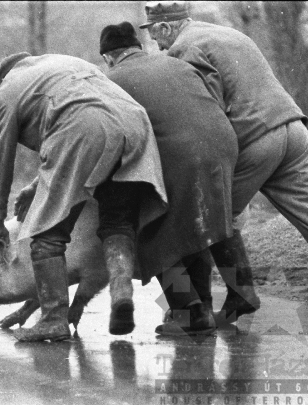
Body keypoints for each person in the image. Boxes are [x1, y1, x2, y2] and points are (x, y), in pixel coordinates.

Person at [139, 0, 308, 324]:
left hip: (255, 141)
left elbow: (205, 112)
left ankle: (192, 313)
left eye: (156, 36)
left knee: (202, 217)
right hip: (293, 130)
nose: (157, 45)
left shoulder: (183, 50)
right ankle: (237, 296)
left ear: (166, 27)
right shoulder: (227, 34)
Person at [0, 52, 168, 341]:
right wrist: (37, 185)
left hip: (82, 131)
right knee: (118, 222)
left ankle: (54, 319)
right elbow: (88, 114)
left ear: (2, 78)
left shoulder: (6, 91)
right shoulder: (64, 63)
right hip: (134, 124)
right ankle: (121, 293)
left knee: (46, 233)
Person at [99, 22, 238, 335]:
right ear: (138, 46)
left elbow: (112, 135)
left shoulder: (110, 80)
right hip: (223, 144)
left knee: (152, 230)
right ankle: (200, 304)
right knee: (197, 227)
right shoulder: (174, 62)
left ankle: (188, 312)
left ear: (109, 57)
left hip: (181, 155)